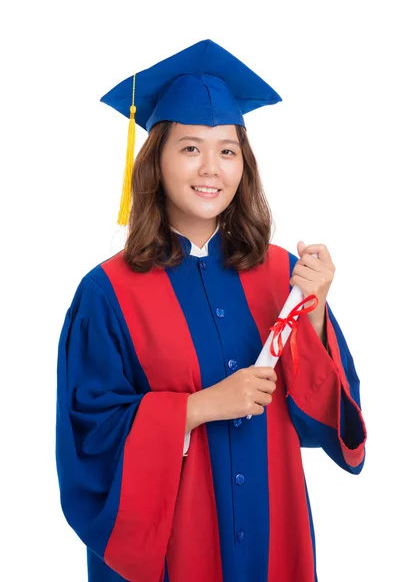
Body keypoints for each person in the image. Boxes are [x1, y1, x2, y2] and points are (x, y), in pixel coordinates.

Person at [56, 39, 367, 582]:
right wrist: (195, 408)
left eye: (227, 150)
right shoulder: (107, 292)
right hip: (176, 547)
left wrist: (312, 314)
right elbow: (89, 442)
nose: (211, 169)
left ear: (244, 164)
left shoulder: (281, 275)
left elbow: (322, 428)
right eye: (190, 148)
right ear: (156, 160)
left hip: (274, 534)